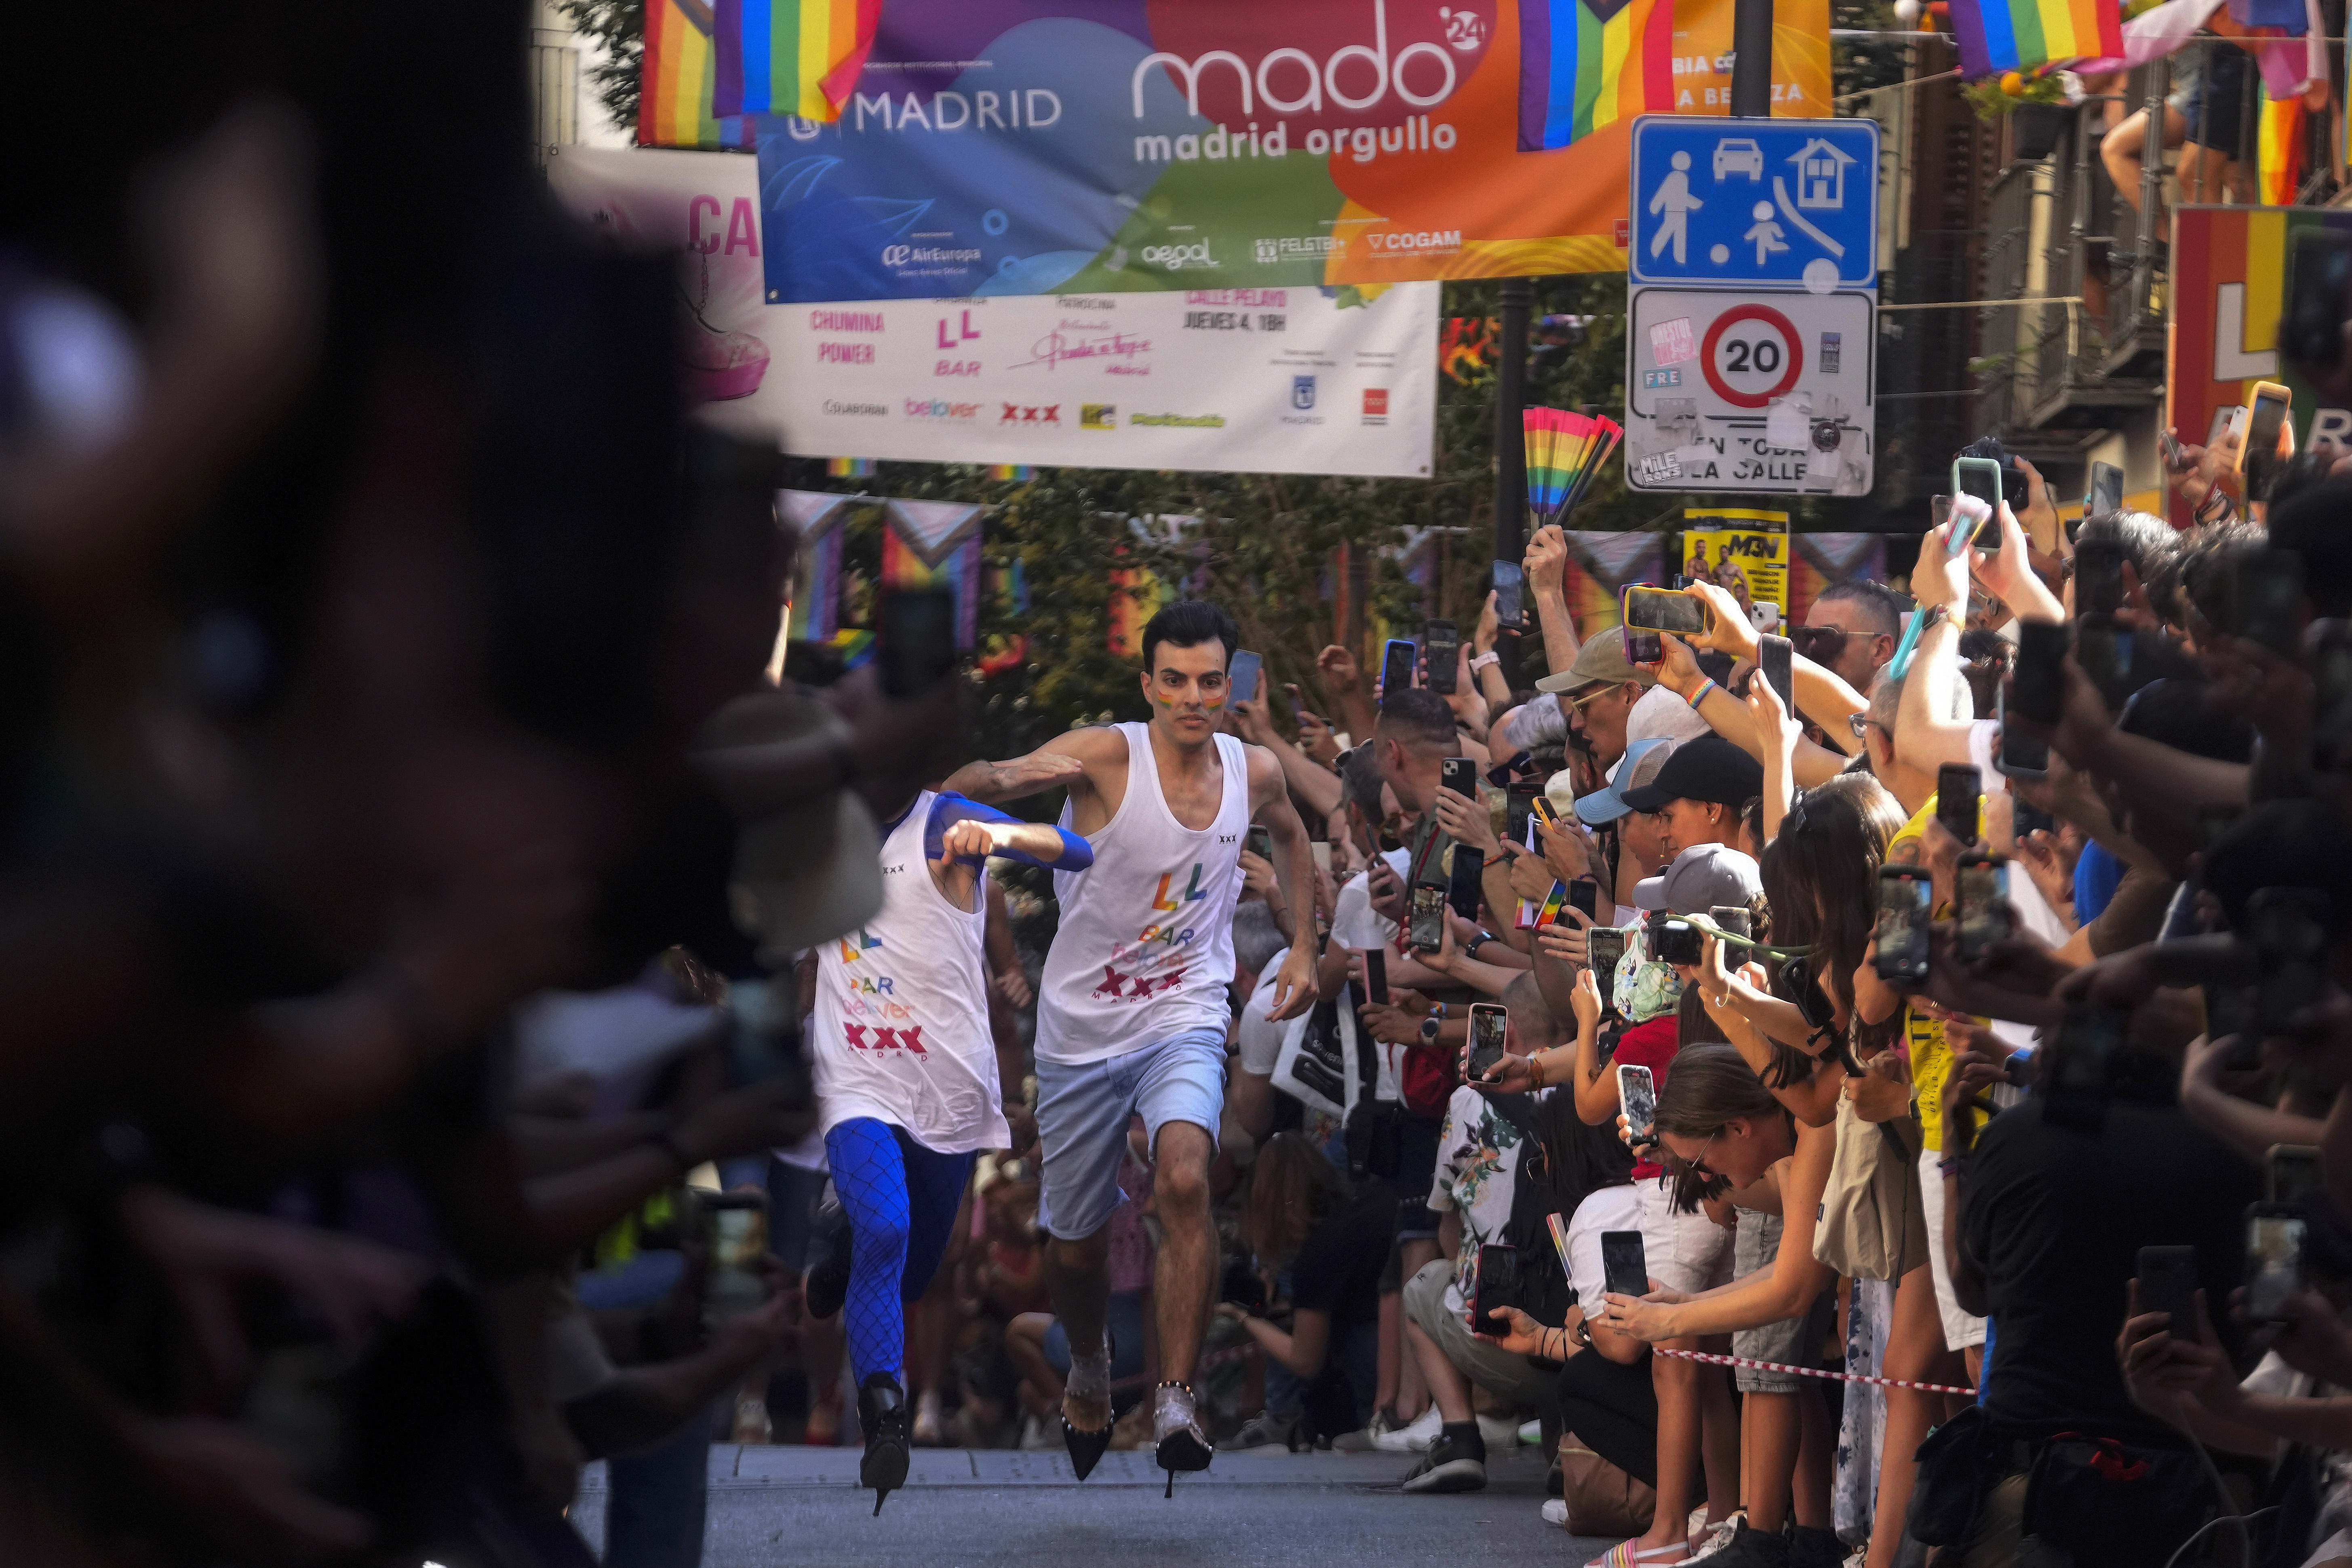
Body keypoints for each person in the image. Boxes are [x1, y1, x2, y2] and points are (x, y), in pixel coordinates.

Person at [942, 600, 1319, 1485]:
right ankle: (1087, 1363)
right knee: (1072, 1245)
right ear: (1149, 685)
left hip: (1182, 1012)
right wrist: (972, 793)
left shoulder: (1253, 768)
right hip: (1078, 1034)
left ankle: (1177, 1398)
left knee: (1186, 1173)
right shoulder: (1108, 754)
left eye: (1210, 681)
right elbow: (994, 780)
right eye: (1176, 681)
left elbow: (1296, 836)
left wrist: (1305, 943)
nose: (1195, 698)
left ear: (1231, 686)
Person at [801, 783, 1090, 1511]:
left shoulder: (945, 817)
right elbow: (801, 971)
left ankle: (844, 1255)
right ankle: (885, 1413)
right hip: (857, 1081)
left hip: (948, 1091)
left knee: (918, 1263)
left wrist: (1004, 840)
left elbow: (1077, 850)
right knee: (889, 1227)